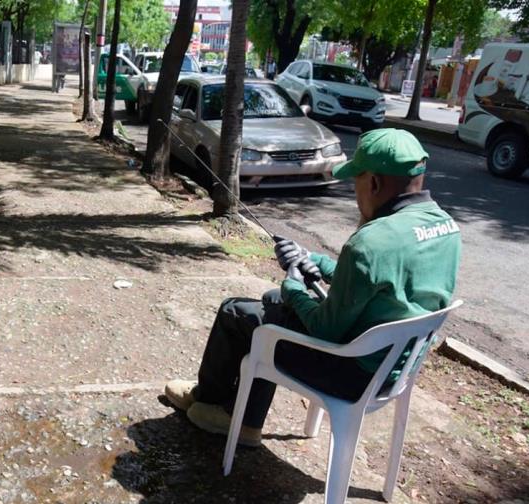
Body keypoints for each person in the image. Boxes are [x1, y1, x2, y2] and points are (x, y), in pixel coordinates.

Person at [164, 129, 461, 446]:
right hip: (392, 369)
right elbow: (378, 282)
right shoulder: (445, 226)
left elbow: (325, 330)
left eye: (356, 181)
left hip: (350, 373)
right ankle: (242, 411)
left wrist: (292, 285)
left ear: (373, 183)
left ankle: (219, 407)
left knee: (235, 311)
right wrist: (313, 260)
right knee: (272, 302)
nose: (354, 191)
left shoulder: (372, 242)